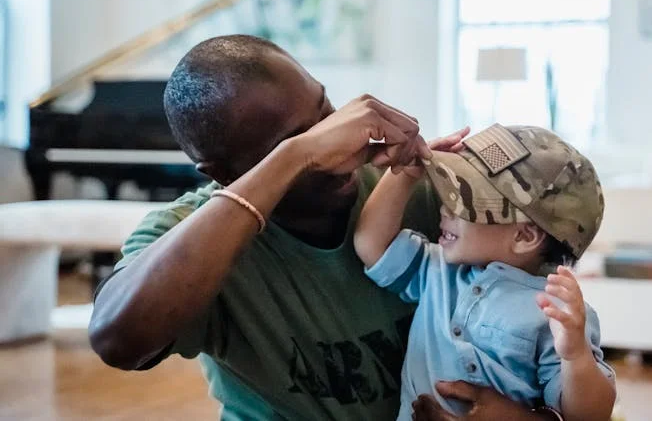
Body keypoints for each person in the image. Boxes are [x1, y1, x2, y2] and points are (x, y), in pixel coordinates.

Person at [88, 34, 560, 420]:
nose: (337, 146)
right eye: (291, 141)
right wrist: (298, 156)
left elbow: (549, 341)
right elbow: (118, 341)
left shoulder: (420, 195)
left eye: (326, 111)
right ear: (222, 173)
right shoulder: (191, 237)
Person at [354, 124, 617, 421]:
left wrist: (575, 356)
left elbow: (590, 415)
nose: (444, 208)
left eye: (463, 202)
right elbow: (370, 244)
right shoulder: (437, 270)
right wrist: (404, 174)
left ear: (524, 237)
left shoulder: (556, 312)